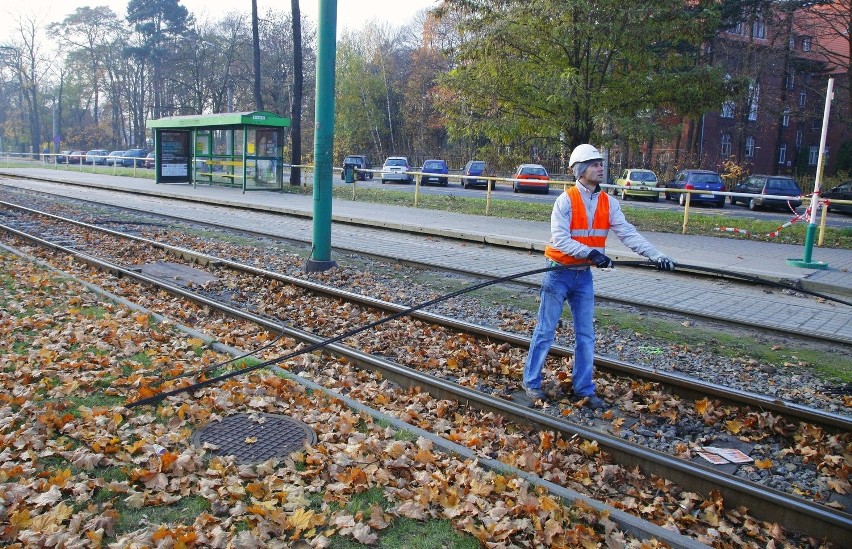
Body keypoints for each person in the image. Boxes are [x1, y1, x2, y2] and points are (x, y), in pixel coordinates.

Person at [523, 144, 676, 410]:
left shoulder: (608, 202)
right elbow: (560, 239)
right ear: (581, 170)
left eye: (600, 163)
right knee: (546, 331)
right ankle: (532, 383)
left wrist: (656, 255)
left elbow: (628, 233)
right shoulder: (565, 200)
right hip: (557, 272)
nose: (600, 167)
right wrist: (592, 253)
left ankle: (584, 389)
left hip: (583, 277)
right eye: (594, 164)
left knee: (586, 335)